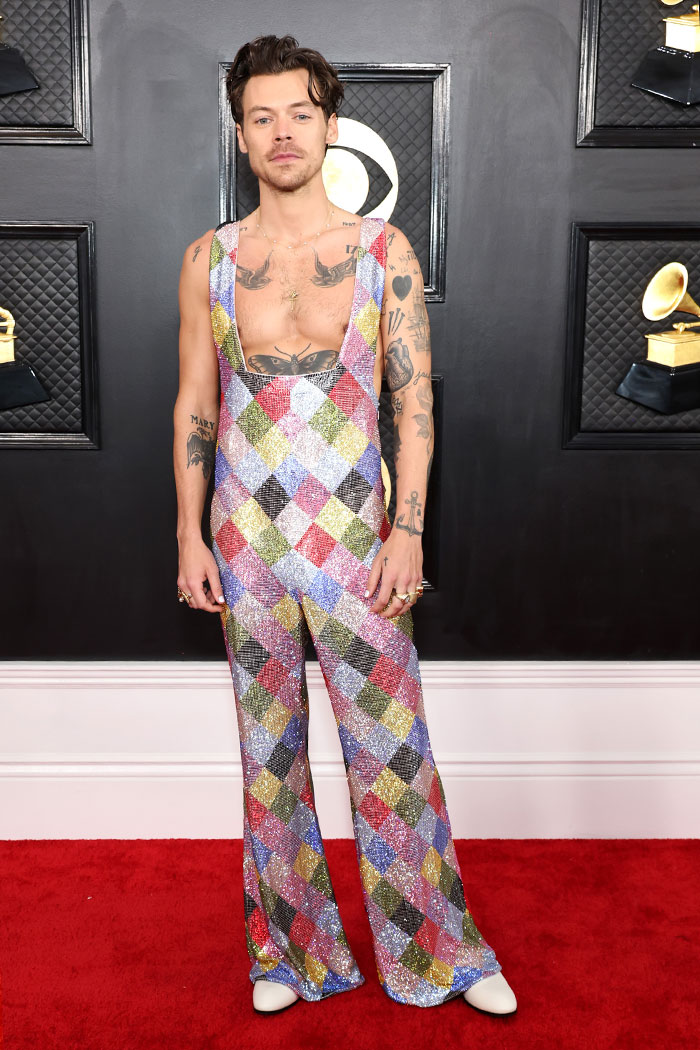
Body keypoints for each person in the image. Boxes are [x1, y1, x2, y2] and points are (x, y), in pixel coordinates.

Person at [173, 34, 516, 1016]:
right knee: (267, 757)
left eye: (300, 113)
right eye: (261, 116)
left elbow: (414, 405)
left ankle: (442, 950)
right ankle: (290, 953)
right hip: (244, 541)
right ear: (240, 134)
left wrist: (408, 529)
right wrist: (189, 535)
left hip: (357, 538)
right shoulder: (208, 259)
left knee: (392, 747)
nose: (282, 133)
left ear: (330, 126)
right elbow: (194, 403)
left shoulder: (379, 252)